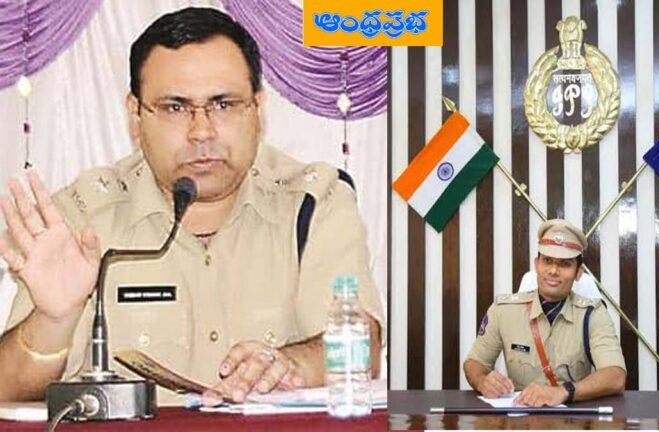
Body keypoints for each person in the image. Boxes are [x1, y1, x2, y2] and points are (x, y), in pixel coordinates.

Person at [0, 7, 384, 406]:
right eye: (175, 107)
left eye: (224, 104)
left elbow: (362, 350)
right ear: (136, 116)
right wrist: (53, 321)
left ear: (257, 109)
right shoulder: (83, 219)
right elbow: (7, 393)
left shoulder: (313, 202)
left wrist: (290, 365)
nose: (202, 131)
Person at [463, 219, 625, 407]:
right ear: (536, 264)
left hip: (572, 418)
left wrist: (564, 392)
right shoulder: (503, 310)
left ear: (578, 272)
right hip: (519, 416)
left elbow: (615, 377)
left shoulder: (593, 314)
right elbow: (474, 363)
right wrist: (482, 381)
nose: (553, 271)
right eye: (547, 261)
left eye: (565, 264)